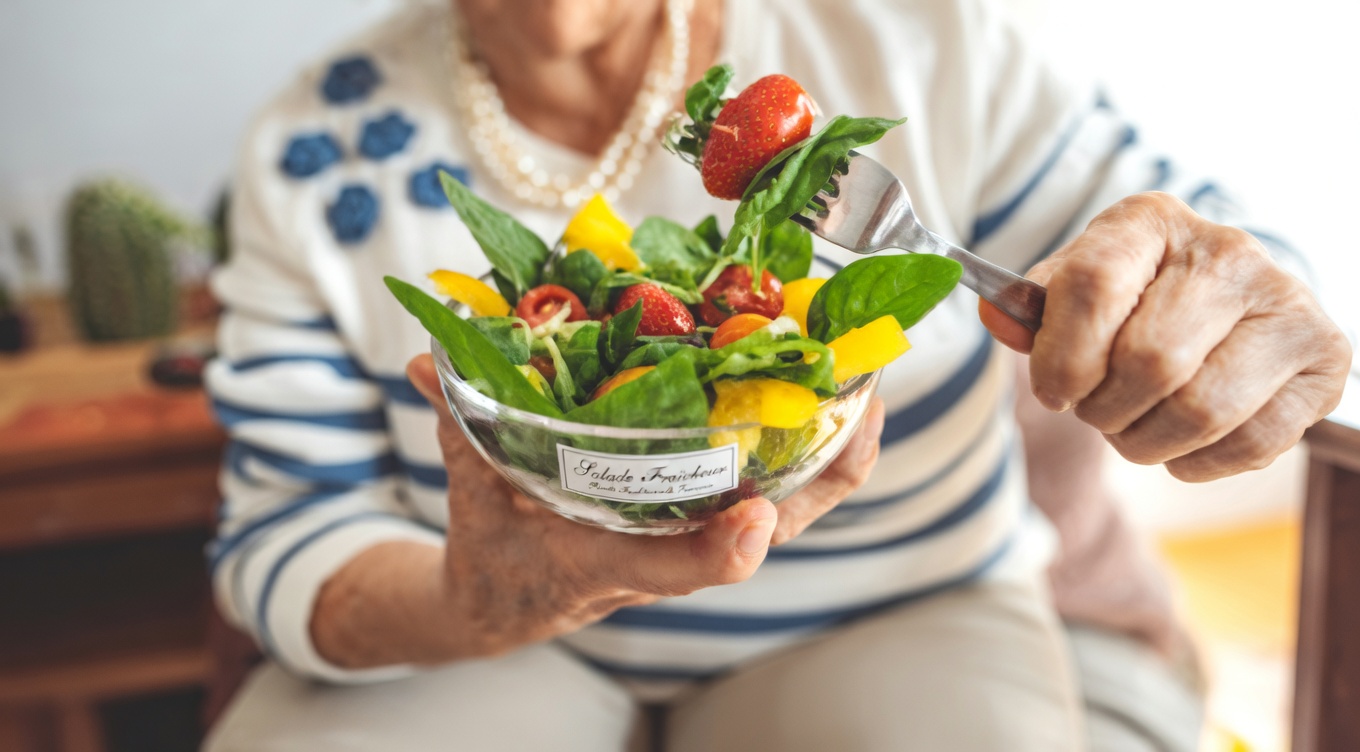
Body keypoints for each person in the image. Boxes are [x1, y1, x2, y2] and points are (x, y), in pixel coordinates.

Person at [202, 0, 1352, 749]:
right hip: (478, 639)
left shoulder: (914, 38)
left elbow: (1194, 241)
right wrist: (480, 596)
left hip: (901, 610)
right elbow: (287, 535)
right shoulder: (312, 152)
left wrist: (1236, 307)